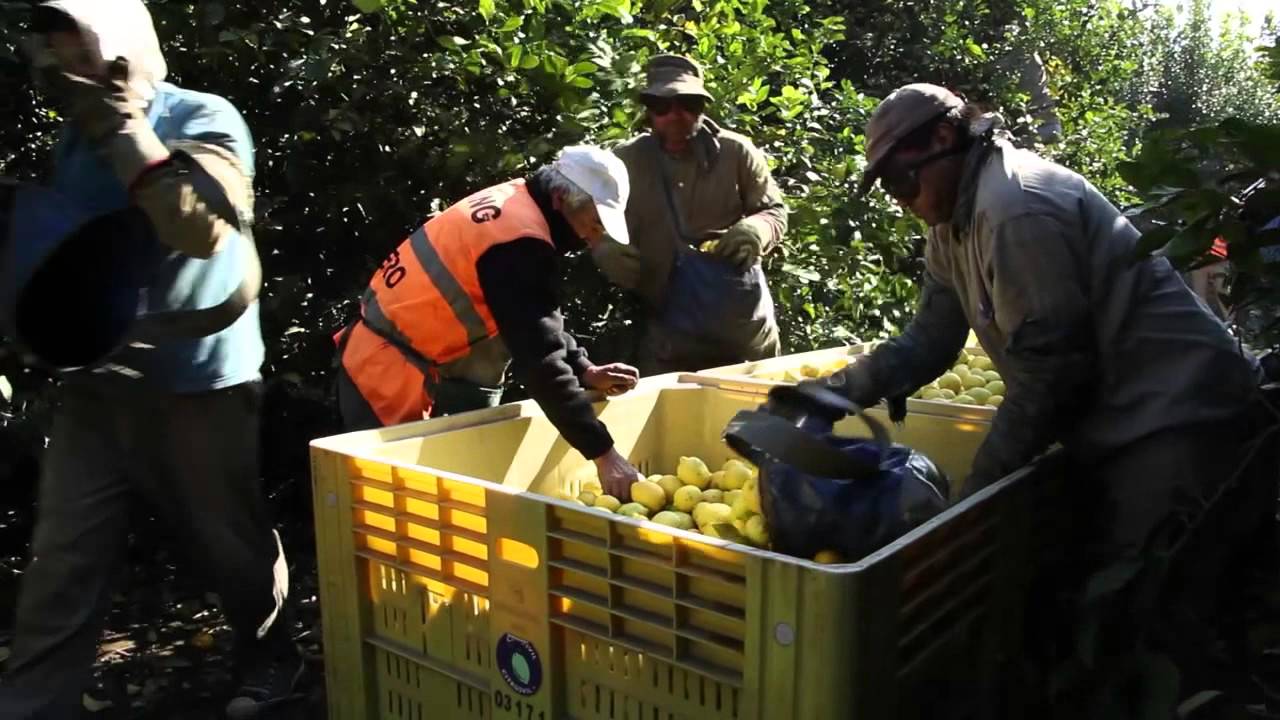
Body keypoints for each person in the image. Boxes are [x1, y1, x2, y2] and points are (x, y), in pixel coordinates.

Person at [806, 83, 1269, 711]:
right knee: (1100, 605)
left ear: (942, 141)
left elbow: (1051, 377)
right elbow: (929, 340)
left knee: (1151, 613)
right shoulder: (953, 221)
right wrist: (825, 398)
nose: (901, 200)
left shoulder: (1015, 206)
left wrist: (962, 513)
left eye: (900, 182)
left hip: (1177, 417)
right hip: (1116, 422)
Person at [1, 1, 302, 718]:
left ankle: (274, 659)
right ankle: (31, 705)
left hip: (197, 382)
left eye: (67, 32)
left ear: (114, 40)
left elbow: (198, 229)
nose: (52, 51)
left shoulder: (203, 117)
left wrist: (124, 125)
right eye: (46, 38)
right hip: (98, 386)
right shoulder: (75, 138)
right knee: (63, 557)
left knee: (229, 541)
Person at [333, 145, 643, 498]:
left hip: (411, 362)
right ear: (560, 198)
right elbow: (539, 361)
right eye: (595, 222)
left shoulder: (516, 207)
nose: (594, 237)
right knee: (391, 509)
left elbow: (531, 318)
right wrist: (604, 454)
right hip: (386, 376)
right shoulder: (516, 244)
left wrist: (583, 368)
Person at [594, 54, 789, 374]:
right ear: (648, 110)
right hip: (667, 332)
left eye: (688, 104)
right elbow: (592, 219)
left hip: (742, 326)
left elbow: (774, 210)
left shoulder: (736, 152)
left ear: (702, 106)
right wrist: (603, 247)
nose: (676, 115)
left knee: (759, 412)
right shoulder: (625, 161)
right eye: (662, 106)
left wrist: (756, 230)